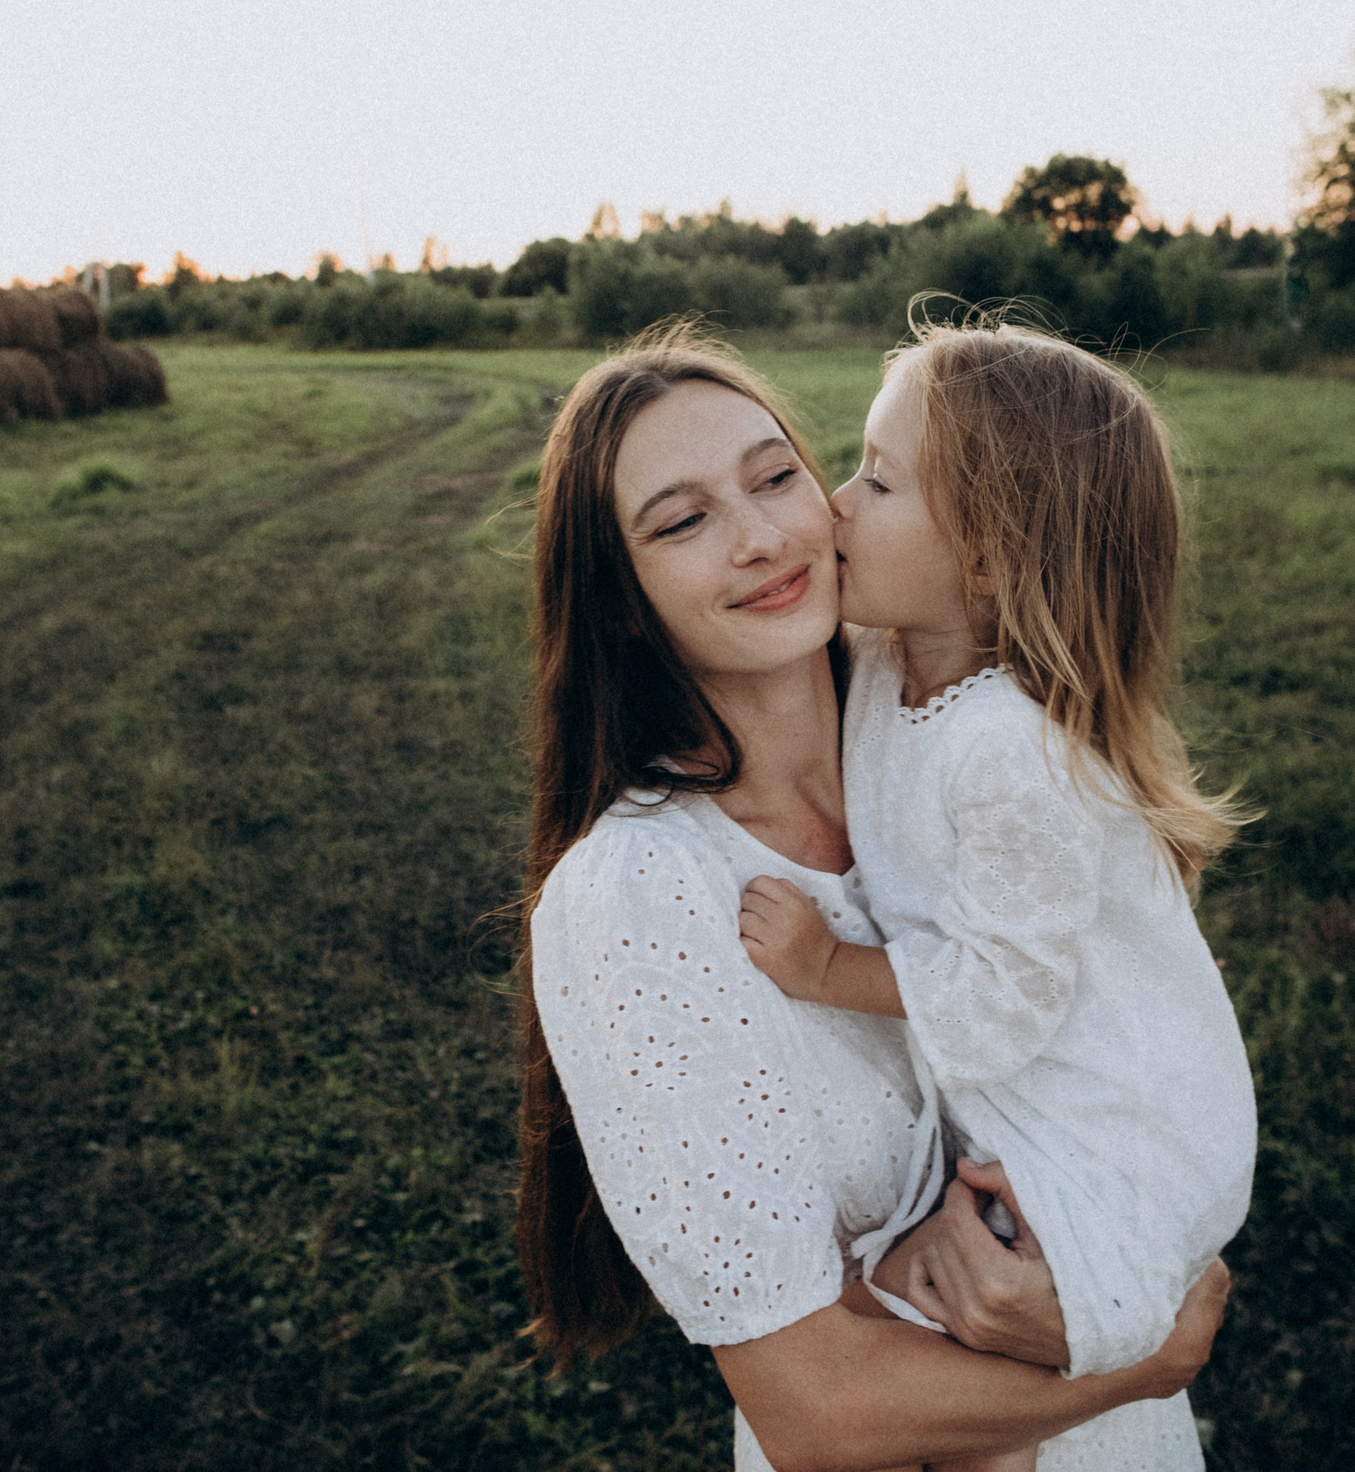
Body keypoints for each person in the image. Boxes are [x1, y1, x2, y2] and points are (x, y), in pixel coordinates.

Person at [515, 329, 1229, 1472]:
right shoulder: (636, 898)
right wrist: (1153, 1349)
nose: (760, 538)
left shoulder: (951, 726)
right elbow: (818, 1412)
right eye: (683, 521)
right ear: (619, 604)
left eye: (774, 475)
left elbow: (1129, 1046)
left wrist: (1153, 1251)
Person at [736, 313, 1257, 1470]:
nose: (832, 502)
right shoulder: (885, 663)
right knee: (924, 1321)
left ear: (988, 559)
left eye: (876, 480)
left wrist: (829, 972)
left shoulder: (1013, 754)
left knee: (962, 1344)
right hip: (1035, 1105)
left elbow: (1002, 1004)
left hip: (1115, 1132)